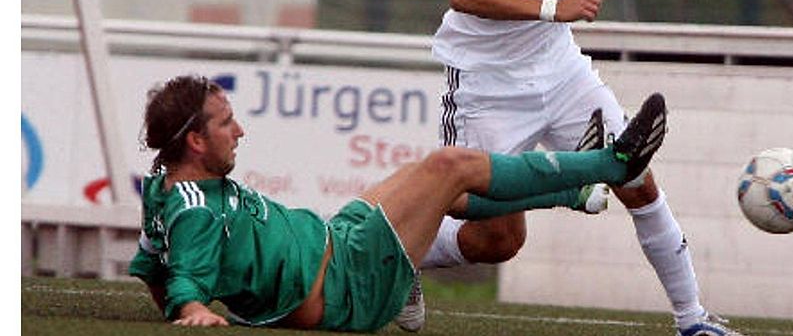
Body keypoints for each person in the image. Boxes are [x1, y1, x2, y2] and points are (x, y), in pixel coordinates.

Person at [413, 0, 744, 335]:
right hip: (487, 79)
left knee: (635, 176)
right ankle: (404, 255)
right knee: (491, 231)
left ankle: (693, 320)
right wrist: (551, 7)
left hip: (559, 66)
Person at [128, 74, 666, 331]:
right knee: (447, 167)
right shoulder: (194, 207)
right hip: (348, 283)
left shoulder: (163, 190)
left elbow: (154, 263)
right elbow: (182, 281)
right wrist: (192, 310)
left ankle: (578, 192)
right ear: (195, 142)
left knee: (445, 188)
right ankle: (612, 164)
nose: (239, 130)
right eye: (226, 124)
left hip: (338, 242)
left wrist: (177, 301)